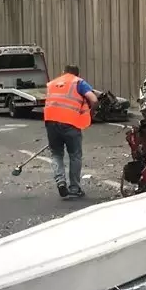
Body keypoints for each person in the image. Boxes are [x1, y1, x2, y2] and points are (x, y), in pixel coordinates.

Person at [43, 65, 98, 199]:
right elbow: (94, 99)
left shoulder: (52, 83)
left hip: (50, 122)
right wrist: (92, 112)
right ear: (77, 74)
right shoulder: (78, 82)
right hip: (70, 124)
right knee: (74, 155)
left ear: (63, 72)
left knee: (56, 154)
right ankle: (74, 188)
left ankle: (60, 181)